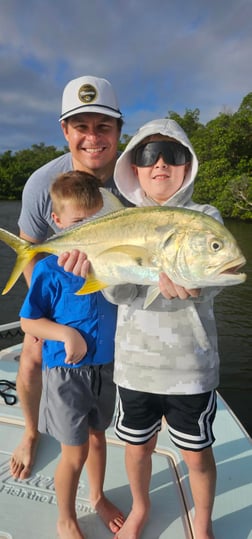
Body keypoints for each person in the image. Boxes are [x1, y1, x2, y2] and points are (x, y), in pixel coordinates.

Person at [64, 118, 222, 539]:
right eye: (150, 155)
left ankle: (202, 524)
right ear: (133, 166)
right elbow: (118, 296)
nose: (161, 165)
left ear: (189, 165)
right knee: (137, 449)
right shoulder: (118, 220)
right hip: (135, 368)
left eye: (174, 155)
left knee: (197, 456)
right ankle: (140, 508)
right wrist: (95, 271)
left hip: (191, 369)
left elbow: (210, 283)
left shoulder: (204, 217)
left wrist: (192, 285)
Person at [10, 75, 126, 533]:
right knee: (33, 351)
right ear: (65, 130)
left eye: (104, 126)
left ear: (119, 131)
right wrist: (49, 318)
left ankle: (96, 495)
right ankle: (31, 432)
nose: (92, 138)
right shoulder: (44, 183)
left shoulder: (130, 178)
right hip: (57, 292)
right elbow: (30, 248)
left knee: (98, 432)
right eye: (81, 126)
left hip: (107, 302)